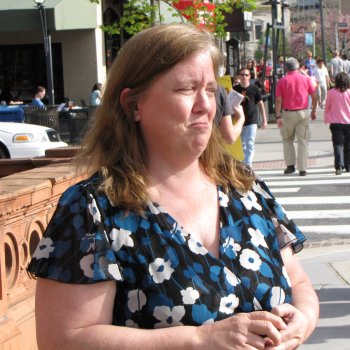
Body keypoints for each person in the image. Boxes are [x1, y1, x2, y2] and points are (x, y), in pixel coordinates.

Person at [28, 24, 318, 350]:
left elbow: (300, 282)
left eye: (210, 90)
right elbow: (64, 339)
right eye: (185, 90)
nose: (205, 106)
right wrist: (198, 340)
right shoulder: (93, 210)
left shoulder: (247, 189)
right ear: (132, 104)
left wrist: (302, 321)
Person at [275, 57, 317, 176]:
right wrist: (314, 110)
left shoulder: (282, 81)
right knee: (302, 140)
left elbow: (278, 100)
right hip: (303, 112)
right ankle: (302, 168)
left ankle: (290, 165)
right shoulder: (306, 79)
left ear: (286, 68)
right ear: (298, 67)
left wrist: (278, 116)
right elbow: (314, 96)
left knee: (287, 139)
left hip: (288, 113)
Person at [233, 67, 267, 168]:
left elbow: (260, 104)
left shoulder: (254, 89)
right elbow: (229, 104)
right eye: (242, 74)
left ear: (249, 76)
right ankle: (242, 163)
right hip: (239, 120)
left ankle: (248, 165)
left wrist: (264, 119)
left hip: (252, 119)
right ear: (239, 76)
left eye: (246, 75)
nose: (244, 77)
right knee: (241, 143)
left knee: (249, 142)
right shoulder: (235, 89)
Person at [324, 72, 350, 175]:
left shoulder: (331, 93)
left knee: (338, 144)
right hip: (348, 122)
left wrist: (326, 118)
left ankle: (339, 166)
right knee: (348, 144)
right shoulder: (349, 92)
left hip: (335, 123)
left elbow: (327, 107)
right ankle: (348, 165)